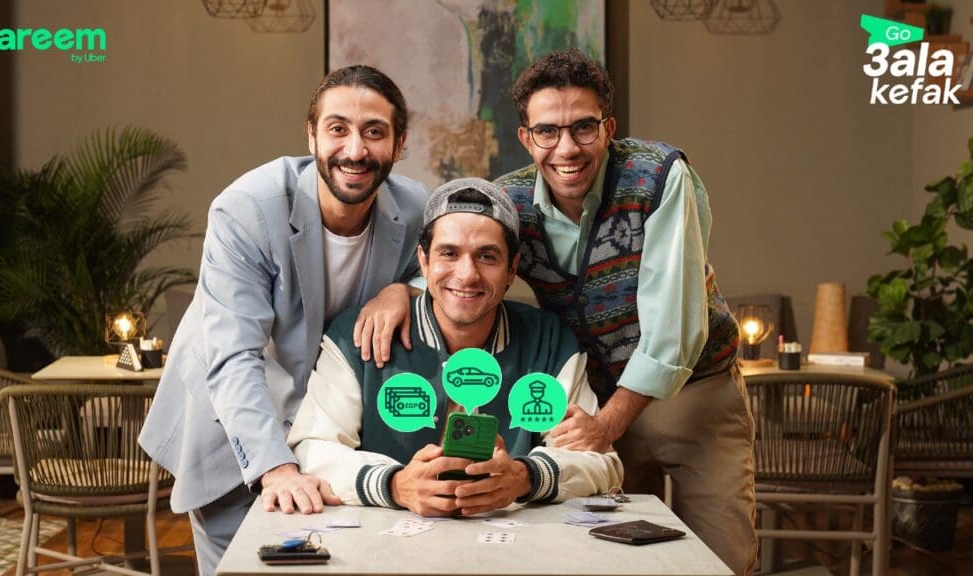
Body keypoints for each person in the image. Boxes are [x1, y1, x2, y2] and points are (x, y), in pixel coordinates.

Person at [138, 65, 428, 575]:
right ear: (311, 135)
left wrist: (403, 288)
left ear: (399, 144)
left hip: (333, 438)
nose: (355, 150)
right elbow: (233, 356)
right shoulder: (246, 210)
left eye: (374, 131)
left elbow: (448, 269)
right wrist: (275, 468)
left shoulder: (416, 209)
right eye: (337, 128)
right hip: (235, 430)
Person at [493, 49, 756, 575]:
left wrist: (607, 425)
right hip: (593, 398)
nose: (567, 147)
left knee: (721, 559)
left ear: (608, 128)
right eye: (547, 131)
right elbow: (451, 271)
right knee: (604, 558)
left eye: (583, 127)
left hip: (695, 395)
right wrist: (400, 293)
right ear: (526, 137)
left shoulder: (658, 175)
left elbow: (675, 327)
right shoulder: (509, 201)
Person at [286, 178, 622, 516]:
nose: (467, 274)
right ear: (424, 261)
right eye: (449, 253)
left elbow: (601, 463)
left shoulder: (547, 342)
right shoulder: (359, 334)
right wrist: (395, 485)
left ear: (511, 270)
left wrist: (526, 477)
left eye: (487, 256)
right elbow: (312, 448)